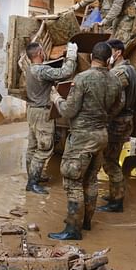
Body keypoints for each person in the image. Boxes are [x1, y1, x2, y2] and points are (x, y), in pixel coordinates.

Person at [48, 42, 123, 241]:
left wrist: (56, 98)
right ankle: (87, 222)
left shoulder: (82, 79)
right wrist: (103, 117)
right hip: (101, 136)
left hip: (82, 139)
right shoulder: (115, 80)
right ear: (109, 59)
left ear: (91, 57)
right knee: (90, 180)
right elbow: (119, 105)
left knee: (73, 182)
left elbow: (69, 110)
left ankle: (73, 229)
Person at [24, 41, 78, 194]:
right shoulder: (42, 70)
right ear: (40, 53)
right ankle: (32, 183)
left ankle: (34, 176)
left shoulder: (29, 69)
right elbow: (65, 73)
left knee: (32, 147)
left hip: (32, 111)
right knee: (44, 148)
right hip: (42, 113)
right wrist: (72, 55)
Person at [98, 39, 136, 213]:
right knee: (113, 158)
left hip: (117, 122)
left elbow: (112, 99)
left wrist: (105, 116)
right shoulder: (134, 71)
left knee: (110, 162)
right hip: (127, 120)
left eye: (109, 51)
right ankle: (113, 194)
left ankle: (117, 202)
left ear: (117, 53)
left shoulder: (119, 73)